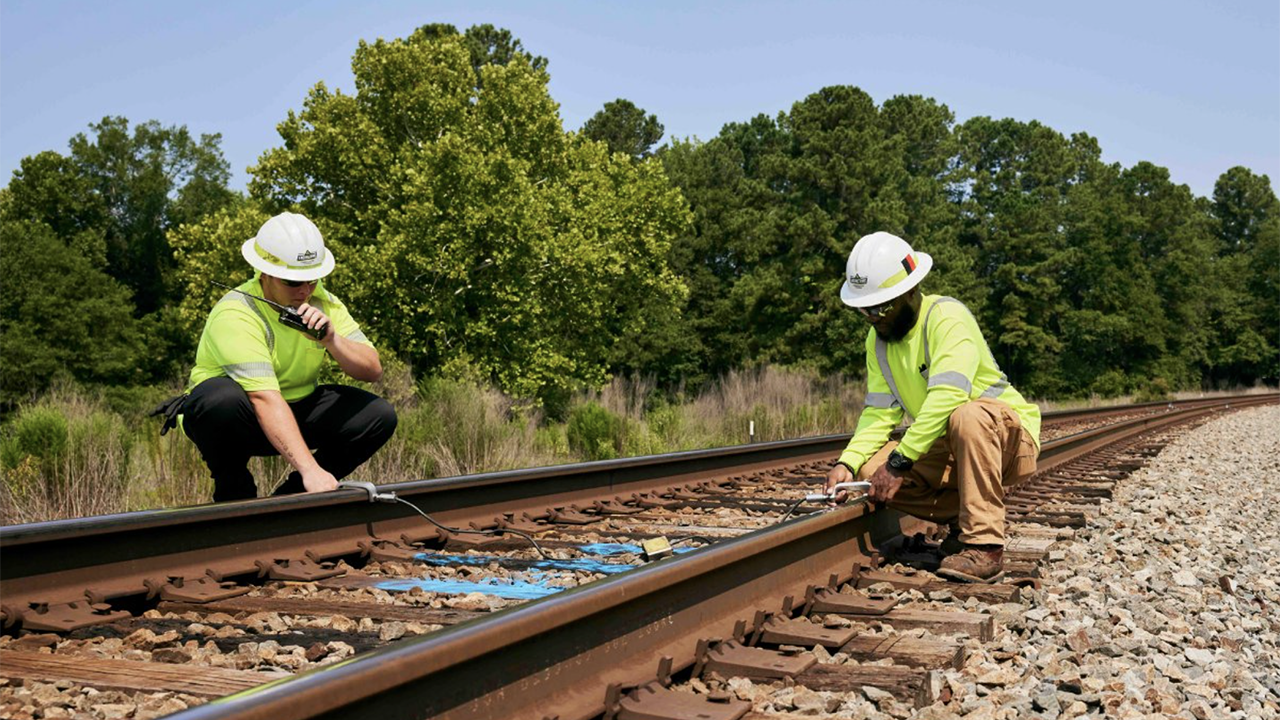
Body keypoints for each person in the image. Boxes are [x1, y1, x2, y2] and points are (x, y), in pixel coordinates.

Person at [824, 231, 1040, 583]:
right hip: (954, 445)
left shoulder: (946, 317)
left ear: (910, 291)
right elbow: (880, 412)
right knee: (869, 470)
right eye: (863, 309)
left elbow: (949, 397)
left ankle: (985, 547)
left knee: (966, 416)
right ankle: (962, 523)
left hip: (1007, 440)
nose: (871, 317)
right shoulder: (877, 342)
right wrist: (846, 462)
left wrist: (900, 463)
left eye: (880, 306)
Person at [180, 211, 397, 502]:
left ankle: (292, 499)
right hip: (240, 419)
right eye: (293, 282)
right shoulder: (235, 312)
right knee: (220, 400)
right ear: (265, 273)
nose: (305, 290)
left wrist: (332, 340)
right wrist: (309, 467)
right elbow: (264, 398)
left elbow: (373, 370)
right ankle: (234, 493)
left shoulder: (322, 300)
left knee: (378, 415)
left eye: (312, 279)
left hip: (293, 408)